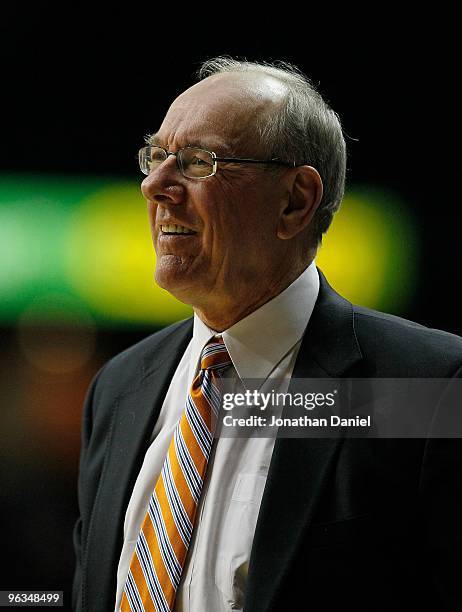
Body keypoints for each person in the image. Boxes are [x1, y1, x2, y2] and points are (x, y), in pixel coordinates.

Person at [72, 57, 462, 612]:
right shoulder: (119, 386)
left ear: (295, 200)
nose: (155, 187)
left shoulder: (429, 388)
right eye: (156, 157)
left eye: (197, 162)